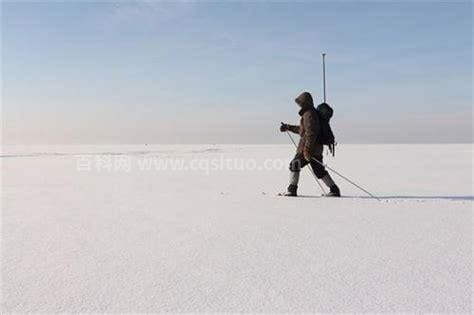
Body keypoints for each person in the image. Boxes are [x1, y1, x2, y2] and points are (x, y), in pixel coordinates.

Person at [280, 91, 341, 197]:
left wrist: (307, 149)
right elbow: (302, 130)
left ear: (305, 102)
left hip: (308, 149)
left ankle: (292, 190)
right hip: (315, 149)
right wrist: (288, 127)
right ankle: (334, 189)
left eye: (300, 102)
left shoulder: (309, 114)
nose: (298, 105)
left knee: (294, 164)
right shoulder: (308, 114)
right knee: (319, 170)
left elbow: (311, 133)